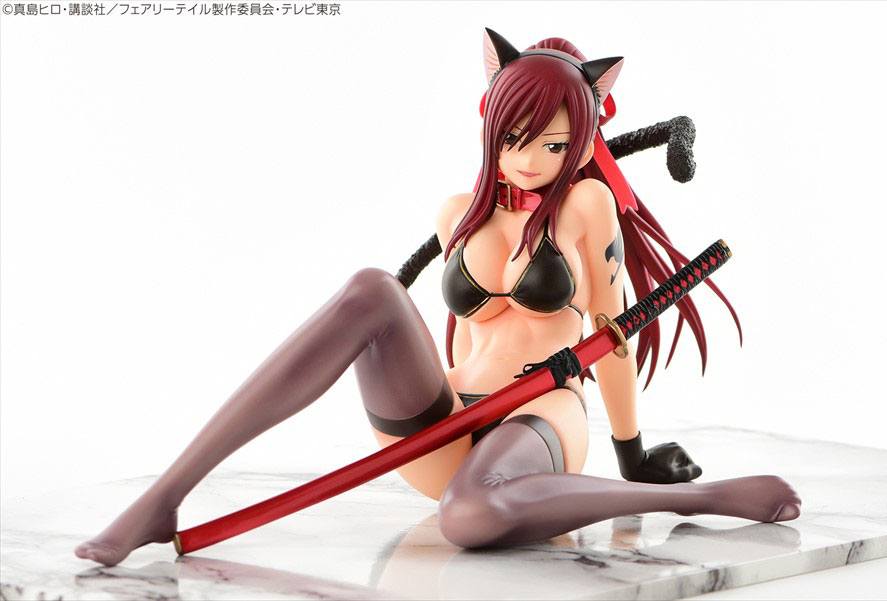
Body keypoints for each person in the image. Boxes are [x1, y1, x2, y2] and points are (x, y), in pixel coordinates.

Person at [74, 29, 800, 566]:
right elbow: (463, 335)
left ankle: (700, 499)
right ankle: (164, 495)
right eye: (514, 137)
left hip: (541, 419)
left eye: (552, 145)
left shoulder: (586, 206)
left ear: (582, 142)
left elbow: (614, 334)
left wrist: (632, 454)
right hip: (448, 423)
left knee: (470, 515)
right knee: (372, 288)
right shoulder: (459, 214)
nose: (527, 159)